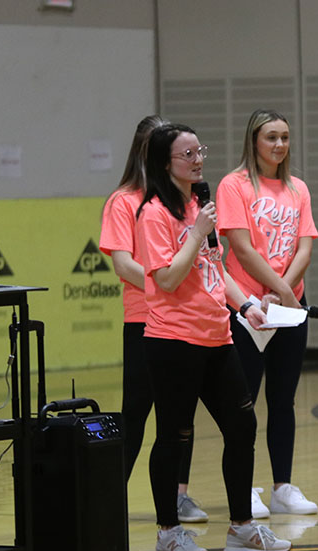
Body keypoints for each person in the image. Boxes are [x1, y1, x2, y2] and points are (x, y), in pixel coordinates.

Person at [136, 123, 290, 551]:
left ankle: (241, 527)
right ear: (166, 163)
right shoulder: (154, 213)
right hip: (173, 341)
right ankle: (168, 532)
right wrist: (196, 233)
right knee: (174, 436)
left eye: (199, 150)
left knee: (242, 427)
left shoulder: (197, 206)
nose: (198, 159)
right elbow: (166, 277)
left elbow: (213, 271)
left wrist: (245, 307)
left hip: (217, 335)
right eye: (188, 154)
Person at [98, 115, 208, 524]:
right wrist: (164, 286)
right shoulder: (124, 201)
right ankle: (110, 497)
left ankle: (179, 494)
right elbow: (123, 264)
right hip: (146, 319)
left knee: (180, 414)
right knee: (137, 410)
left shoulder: (184, 200)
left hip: (188, 319)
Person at [216, 109, 318, 518]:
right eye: (270, 137)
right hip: (248, 310)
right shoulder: (233, 185)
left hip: (288, 311)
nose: (279, 145)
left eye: (284, 138)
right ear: (253, 141)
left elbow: (305, 247)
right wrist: (276, 291)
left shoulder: (298, 189)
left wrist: (286, 294)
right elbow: (240, 247)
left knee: (283, 401)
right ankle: (248, 487)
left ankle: (283, 486)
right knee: (244, 403)